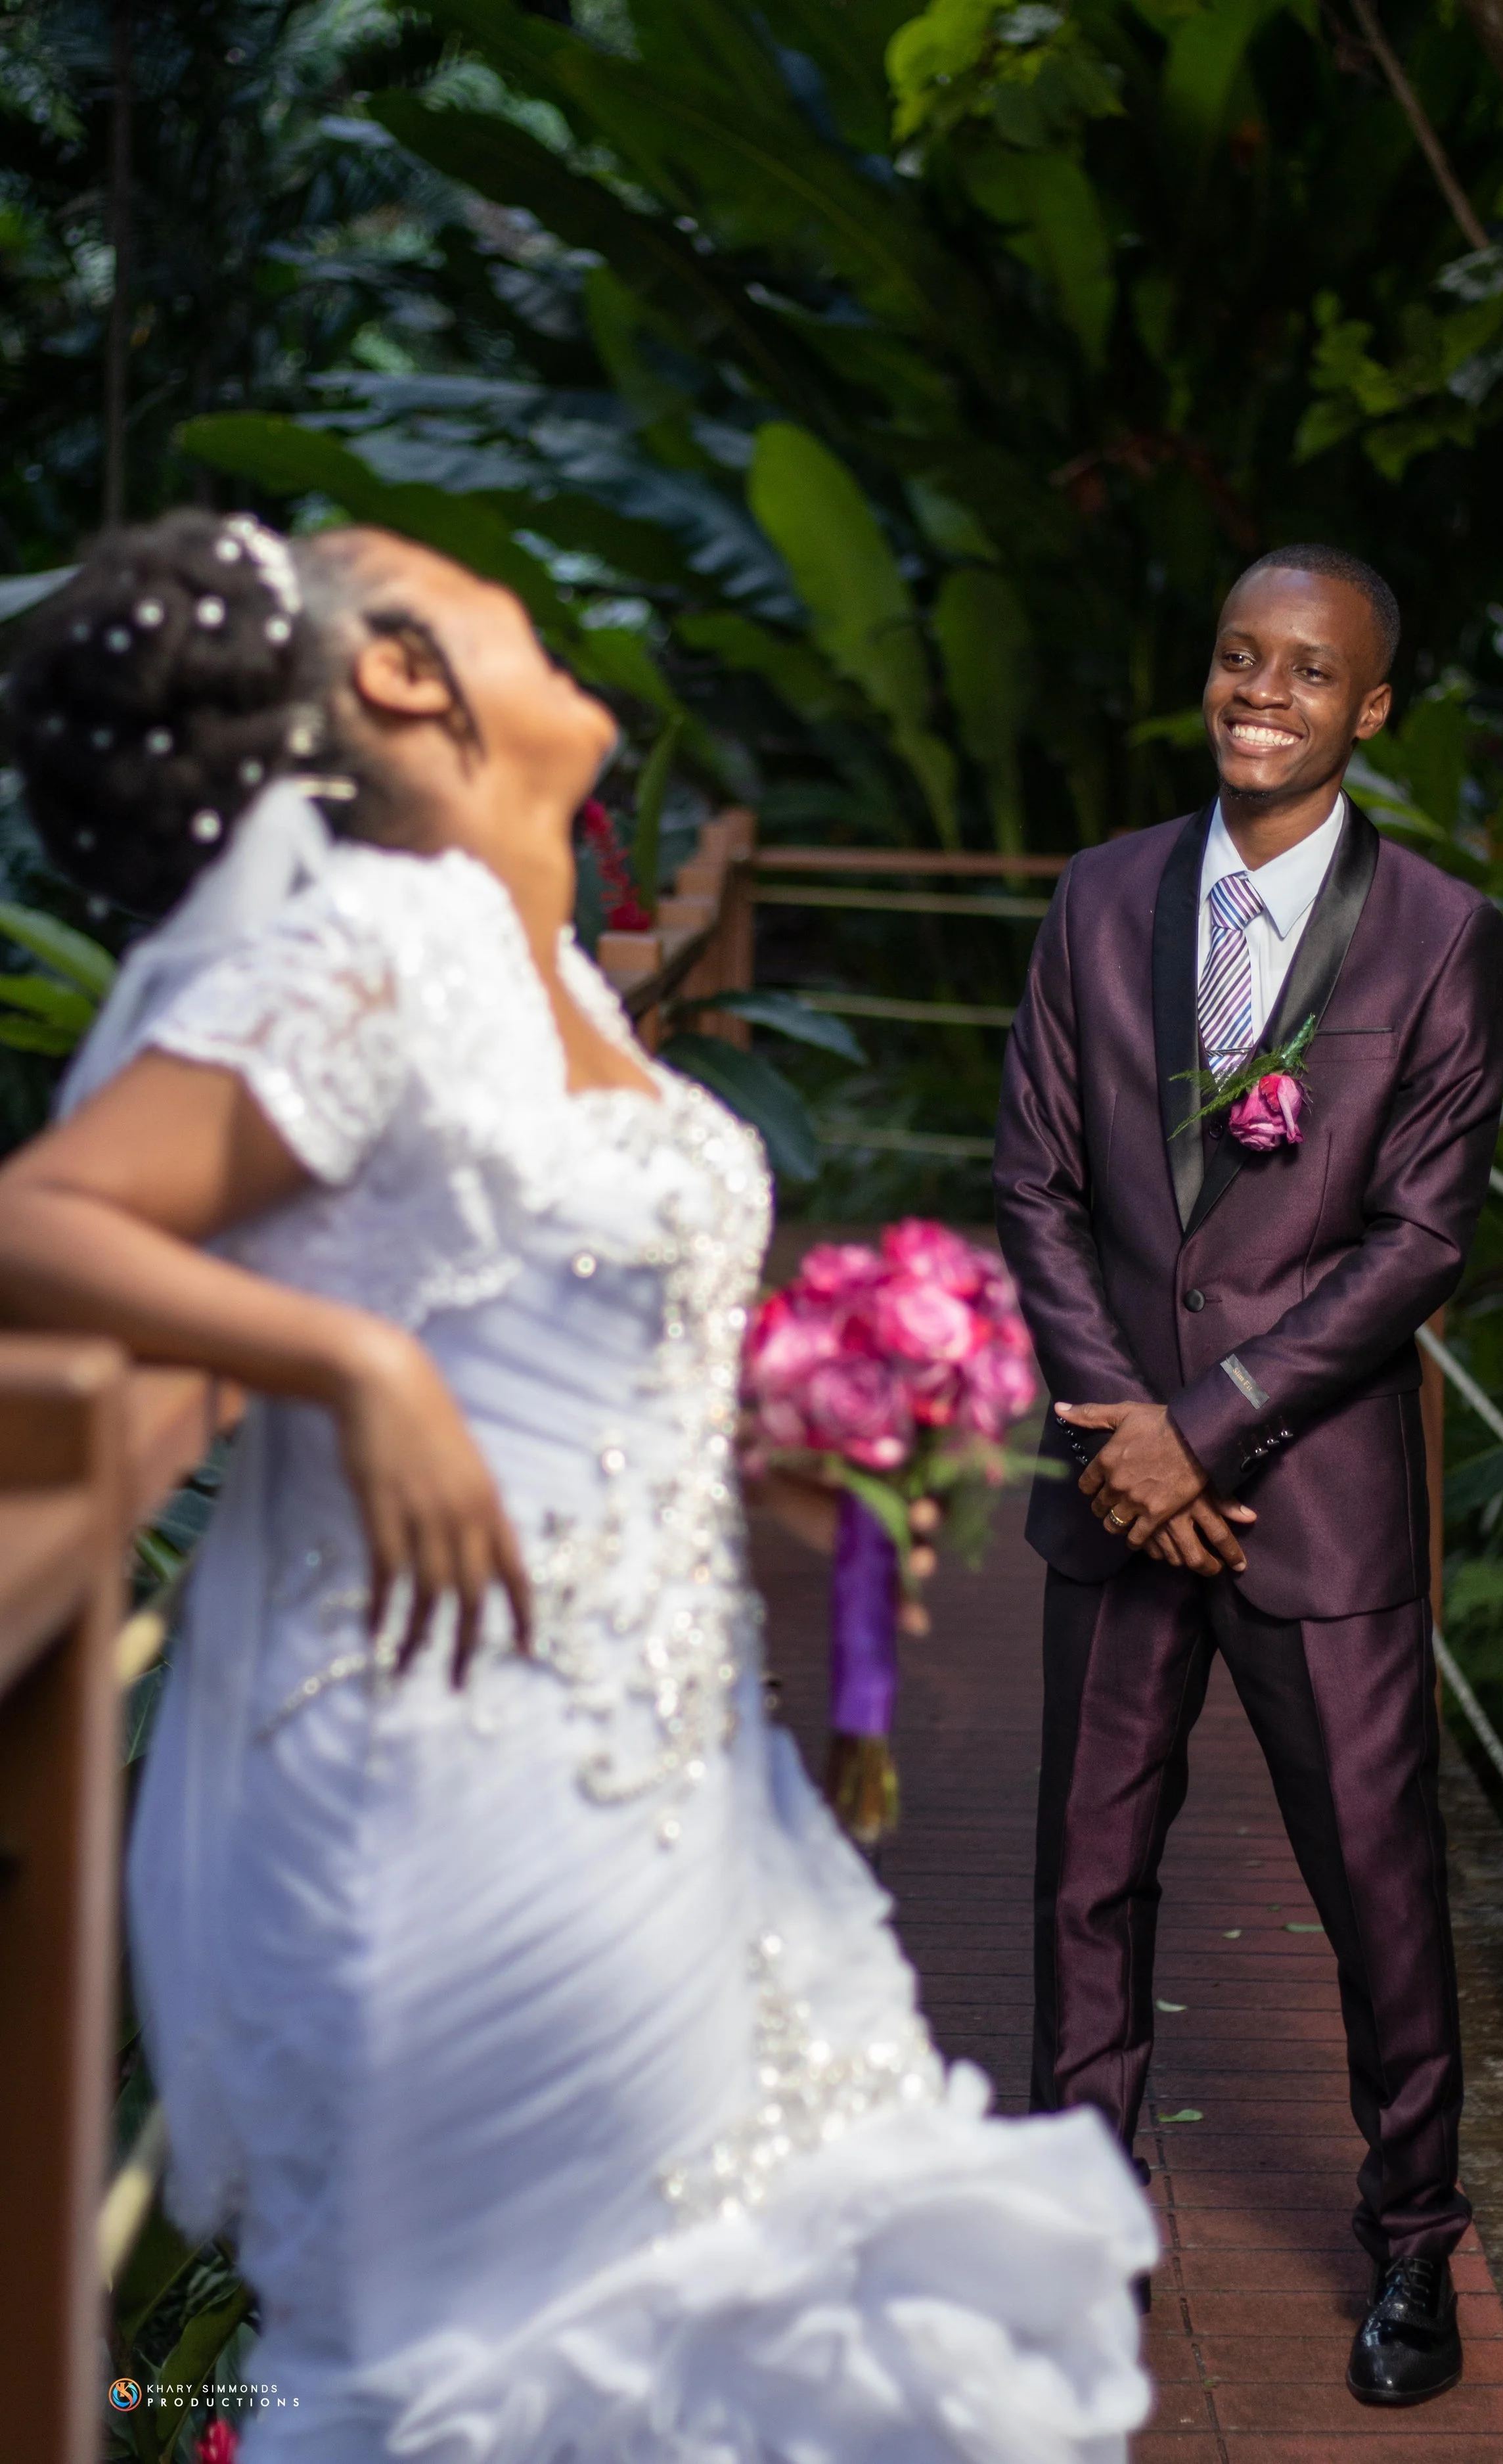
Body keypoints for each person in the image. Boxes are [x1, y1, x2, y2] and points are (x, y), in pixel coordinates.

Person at [0, 510, 1155, 2462]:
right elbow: (44, 1216)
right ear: (396, 674)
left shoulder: (548, 969)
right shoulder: (386, 939)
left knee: (726, 2318)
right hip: (464, 1787)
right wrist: (343, 1366)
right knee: (572, 2350)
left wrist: (758, 1453)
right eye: (432, 573)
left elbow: (500, 1297)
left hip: (674, 1772)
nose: (501, 585)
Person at [993, 545, 1503, 2409]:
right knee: (1083, 1876)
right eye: (1235, 657)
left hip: (1301, 1495)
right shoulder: (1097, 896)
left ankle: (1408, 2246)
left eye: (1305, 669)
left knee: (1376, 1885)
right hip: (1113, 1472)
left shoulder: (1440, 935)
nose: (1259, 692)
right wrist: (1116, 1421)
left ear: (1366, 706)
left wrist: (1195, 1428)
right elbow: (1037, 1181)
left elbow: (1415, 1239)